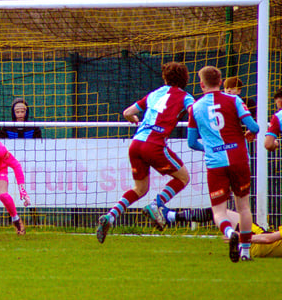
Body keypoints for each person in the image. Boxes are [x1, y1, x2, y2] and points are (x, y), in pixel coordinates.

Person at [96, 62, 194, 244]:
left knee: (140, 188)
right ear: (185, 79)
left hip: (136, 143)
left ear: (165, 77)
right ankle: (157, 204)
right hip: (154, 143)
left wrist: (133, 119)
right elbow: (194, 112)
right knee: (183, 178)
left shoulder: (155, 93)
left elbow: (128, 112)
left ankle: (110, 216)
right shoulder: (185, 97)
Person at [188, 65, 259, 262]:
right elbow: (253, 126)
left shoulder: (195, 107)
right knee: (244, 206)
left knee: (218, 210)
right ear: (220, 82)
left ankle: (229, 233)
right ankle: (245, 252)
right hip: (238, 159)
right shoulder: (234, 100)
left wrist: (209, 148)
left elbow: (191, 142)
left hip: (215, 163)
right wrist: (250, 132)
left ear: (201, 84)